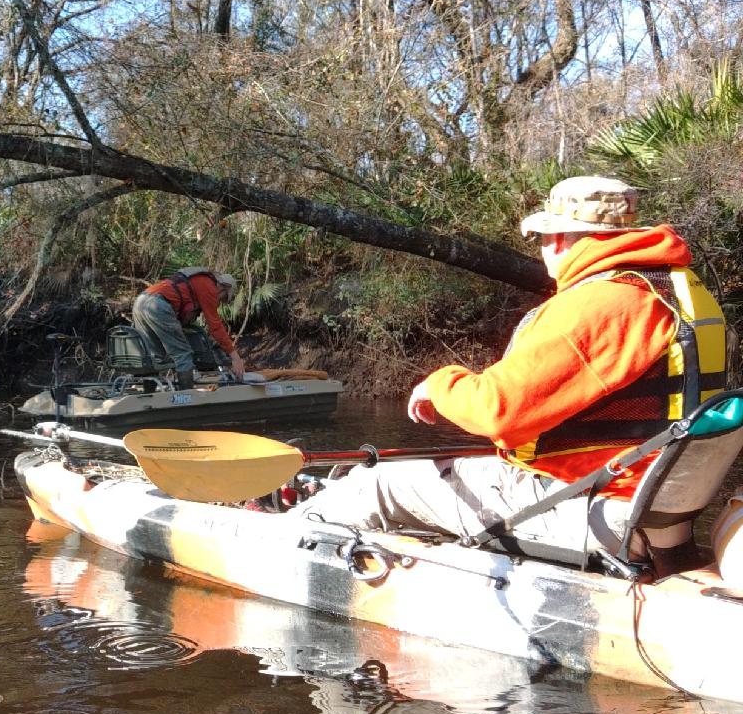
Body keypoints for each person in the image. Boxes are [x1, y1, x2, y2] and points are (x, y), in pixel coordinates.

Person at [308, 176, 727, 576]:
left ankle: (289, 547)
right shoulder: (676, 290)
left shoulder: (603, 304)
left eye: (545, 237)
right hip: (657, 517)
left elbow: (498, 411)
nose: (543, 249)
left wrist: (438, 384)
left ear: (561, 239)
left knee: (379, 484)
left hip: (591, 510)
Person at [131, 267, 247, 390]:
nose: (219, 302)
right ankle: (185, 398)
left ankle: (150, 395)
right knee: (183, 355)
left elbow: (185, 316)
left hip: (141, 301)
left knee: (155, 355)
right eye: (223, 298)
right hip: (158, 306)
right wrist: (235, 357)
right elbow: (216, 326)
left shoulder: (197, 282)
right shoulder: (209, 287)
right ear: (224, 288)